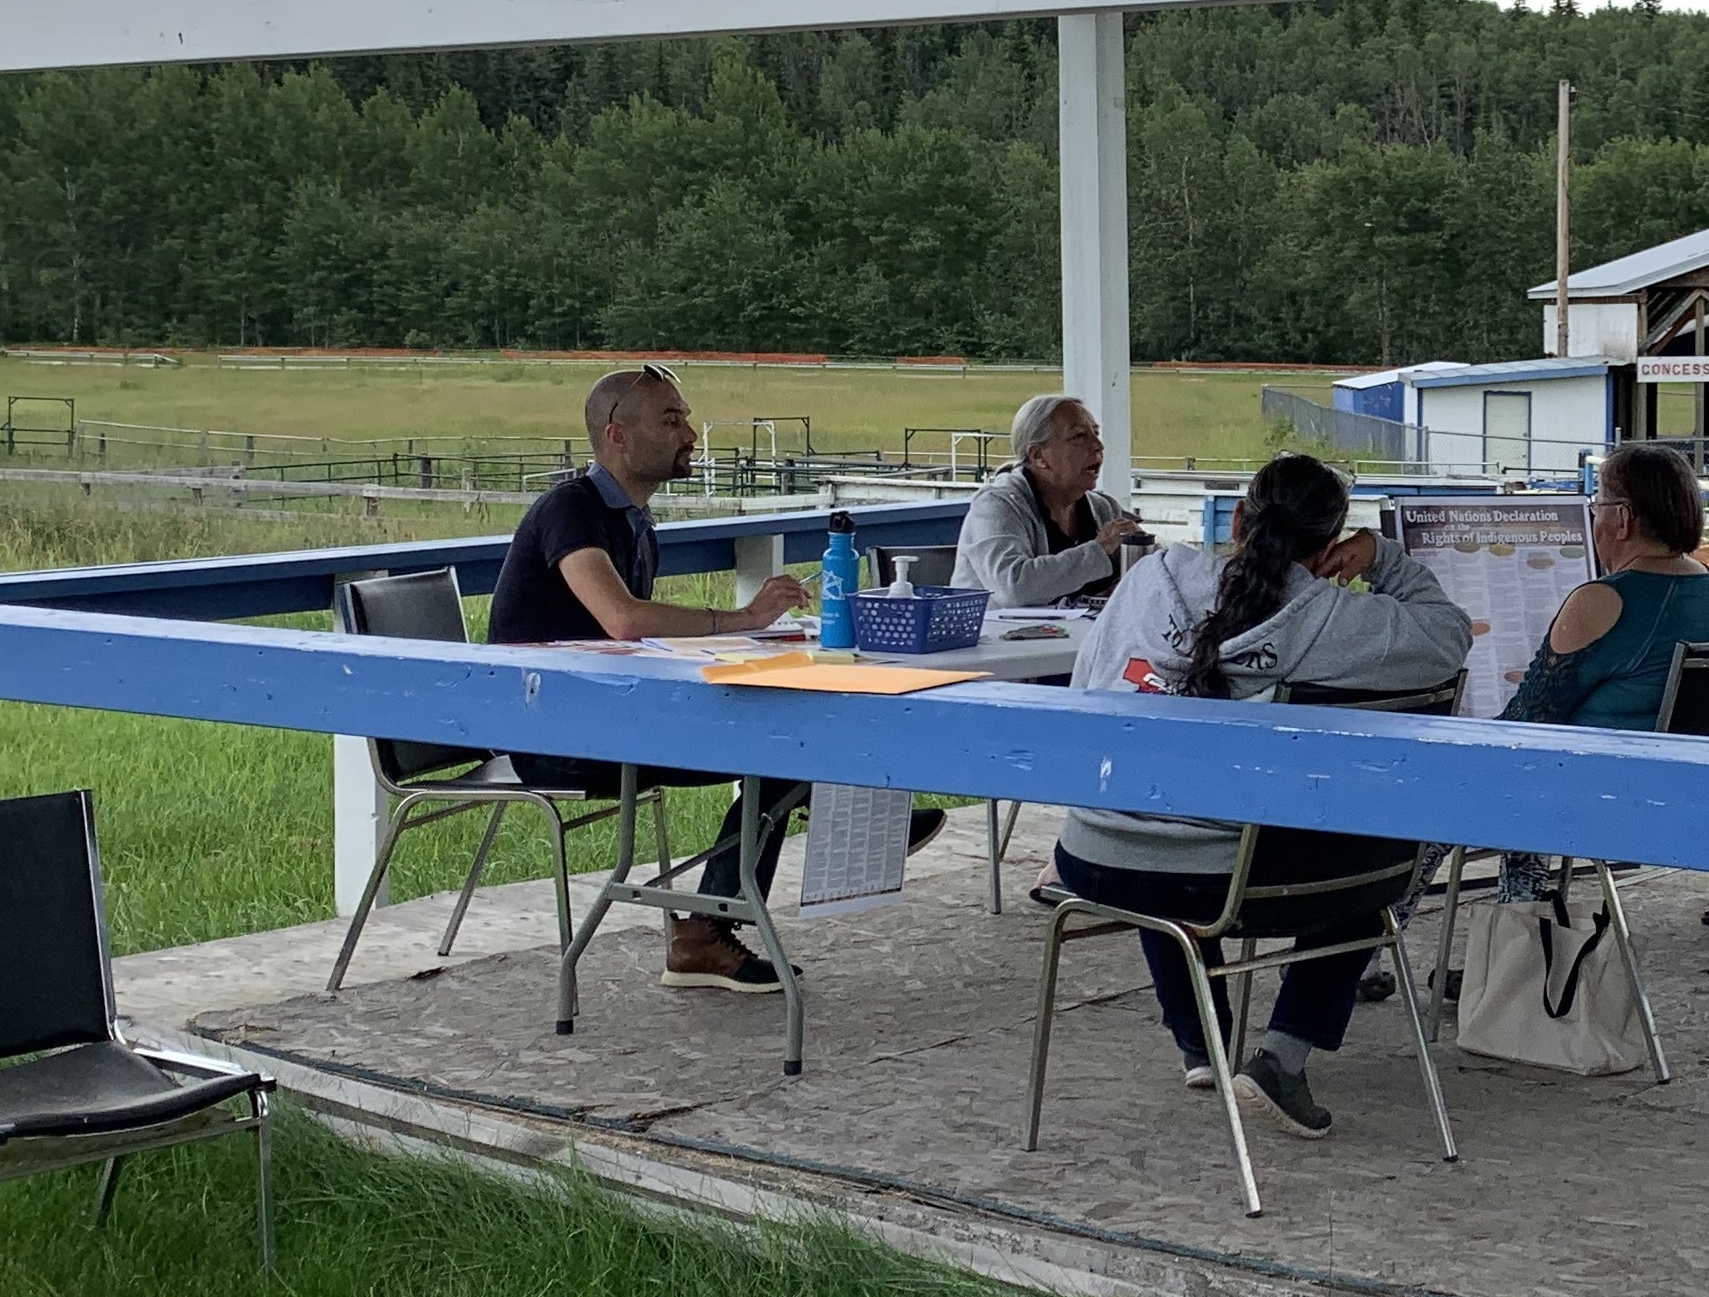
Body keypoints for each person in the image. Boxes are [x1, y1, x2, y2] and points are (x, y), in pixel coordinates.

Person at [485, 365, 944, 993]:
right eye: (672, 421)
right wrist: (744, 618)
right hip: (556, 737)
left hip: (600, 717)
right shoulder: (571, 509)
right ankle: (717, 920)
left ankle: (792, 851)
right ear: (617, 435)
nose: (692, 434)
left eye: (686, 419)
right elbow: (623, 622)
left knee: (785, 742)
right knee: (777, 749)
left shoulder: (632, 521)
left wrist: (750, 632)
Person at [1052, 452, 1471, 1137]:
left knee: (1165, 820)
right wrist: (1385, 558)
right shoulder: (1332, 619)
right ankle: (1281, 1056)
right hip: (1230, 876)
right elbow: (1449, 637)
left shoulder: (1150, 577)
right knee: (1374, 860)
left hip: (1097, 854)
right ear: (1330, 547)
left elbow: (1085, 688)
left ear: (1240, 518)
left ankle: (1201, 1043)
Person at [1492, 441, 1709, 902]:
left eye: (1596, 505)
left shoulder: (1603, 599)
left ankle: (1504, 949)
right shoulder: (1707, 585)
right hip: (1687, 798)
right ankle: (1518, 945)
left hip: (1605, 802)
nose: (1594, 519)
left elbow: (1527, 721)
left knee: (1445, 780)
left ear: (1622, 518)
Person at [958, 394, 1148, 607]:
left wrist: (1141, 560)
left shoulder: (1104, 508)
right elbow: (1013, 588)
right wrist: (1099, 550)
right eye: (1078, 436)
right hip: (997, 638)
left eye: (1095, 433)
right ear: (1038, 456)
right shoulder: (996, 506)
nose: (1098, 445)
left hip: (1077, 638)